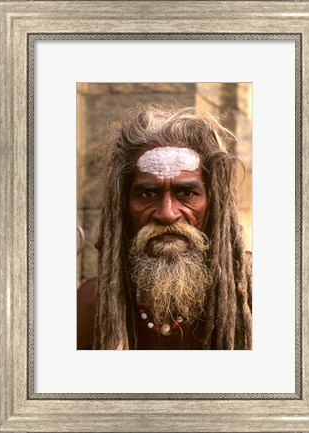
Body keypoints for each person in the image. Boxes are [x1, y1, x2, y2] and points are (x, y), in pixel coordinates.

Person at [77, 105, 252, 350]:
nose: (167, 214)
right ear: (123, 205)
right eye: (148, 193)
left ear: (214, 203)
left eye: (188, 193)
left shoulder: (253, 291)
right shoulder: (91, 306)